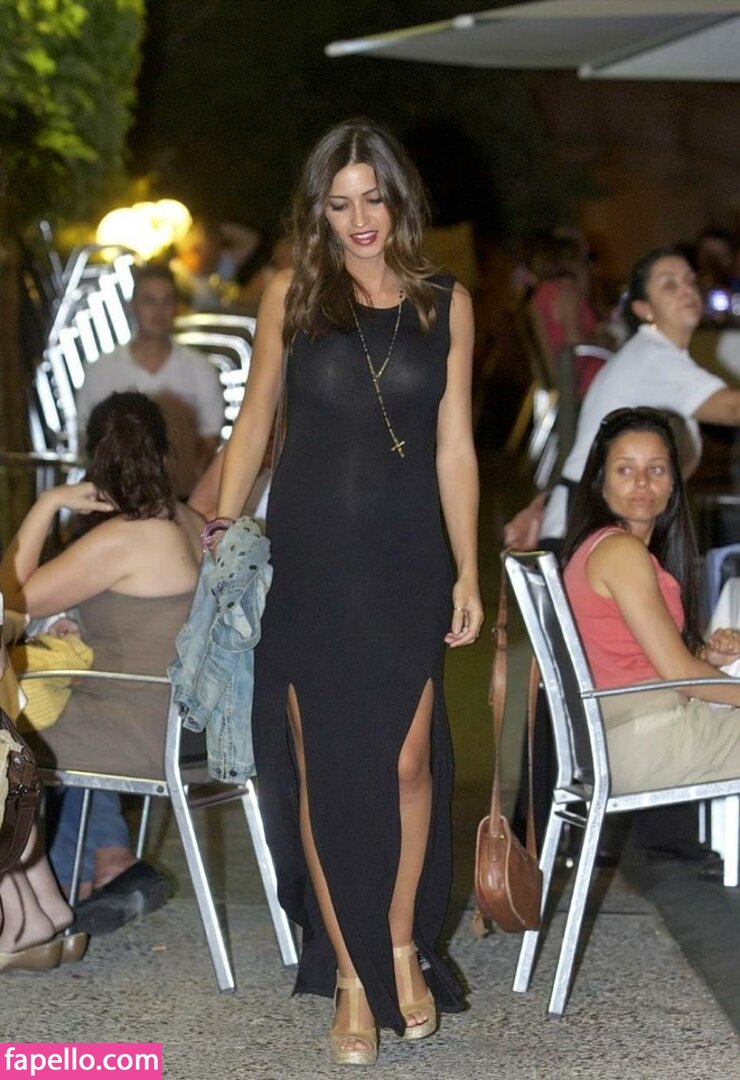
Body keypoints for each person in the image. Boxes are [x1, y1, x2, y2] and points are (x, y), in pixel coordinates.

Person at [209, 118, 483, 1065]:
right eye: (339, 203)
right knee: (325, 775)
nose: (360, 219)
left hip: (408, 563)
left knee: (406, 767)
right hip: (312, 563)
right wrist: (220, 527)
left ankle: (399, 948)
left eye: (373, 199)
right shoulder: (291, 295)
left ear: (398, 200)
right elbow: (254, 423)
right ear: (318, 211)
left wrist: (469, 567)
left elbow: (455, 446)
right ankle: (354, 979)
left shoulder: (445, 303)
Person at [0, 393, 202, 926]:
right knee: (48, 710)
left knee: (11, 731)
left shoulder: (127, 538)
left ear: (93, 461)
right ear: (165, 454)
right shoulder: (190, 521)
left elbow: (8, 598)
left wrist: (47, 504)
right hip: (183, 726)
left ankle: (32, 909)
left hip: (137, 731)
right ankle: (99, 867)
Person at [562, 406, 740, 795]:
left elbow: (641, 659)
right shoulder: (621, 552)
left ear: (674, 482)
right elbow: (678, 672)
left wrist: (705, 658)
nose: (642, 483)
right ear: (600, 482)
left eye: (656, 470)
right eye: (625, 470)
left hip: (636, 734)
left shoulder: (608, 548)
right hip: (648, 740)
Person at [535, 244, 740, 546]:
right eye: (670, 284)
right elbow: (732, 409)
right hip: (588, 531)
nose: (687, 290)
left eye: (690, 281)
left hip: (599, 523)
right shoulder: (652, 357)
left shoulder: (656, 352)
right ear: (644, 309)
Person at [76, 264, 224, 497]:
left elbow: (209, 443)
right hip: (115, 498)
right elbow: (86, 439)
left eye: (166, 301)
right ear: (132, 306)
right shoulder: (101, 370)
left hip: (182, 498)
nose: (158, 310)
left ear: (176, 307)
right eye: (149, 301)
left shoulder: (200, 369)